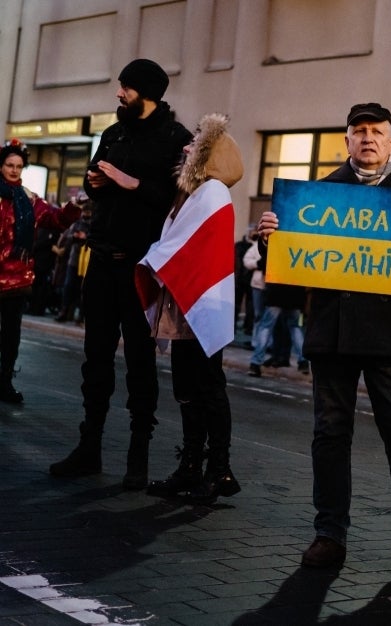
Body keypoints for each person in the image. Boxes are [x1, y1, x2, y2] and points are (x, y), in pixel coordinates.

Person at [257, 103, 391, 585]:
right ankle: (329, 534)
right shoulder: (320, 193)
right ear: (346, 141)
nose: (368, 138)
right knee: (330, 435)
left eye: (377, 131)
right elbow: (292, 269)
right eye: (359, 131)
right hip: (334, 333)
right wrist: (272, 241)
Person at [49, 58, 193, 489]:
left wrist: (133, 184)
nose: (118, 93)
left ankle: (137, 457)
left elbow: (180, 202)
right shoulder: (113, 133)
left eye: (125, 88)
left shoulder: (177, 140)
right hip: (102, 259)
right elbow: (95, 181)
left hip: (142, 267)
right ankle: (88, 447)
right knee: (95, 358)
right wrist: (97, 180)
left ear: (147, 92)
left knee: (139, 362)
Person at [138, 113, 244, 504]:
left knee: (208, 387)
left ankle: (219, 470)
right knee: (188, 387)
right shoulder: (193, 193)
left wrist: (153, 259)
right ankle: (192, 467)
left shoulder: (212, 192)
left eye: (196, 141)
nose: (186, 146)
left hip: (202, 303)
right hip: (187, 302)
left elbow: (187, 248)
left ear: (210, 153)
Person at [0, 139, 80, 403]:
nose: (14, 170)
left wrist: (74, 206)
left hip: (16, 279)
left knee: (11, 336)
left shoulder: (29, 199)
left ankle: (5, 382)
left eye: (19, 166)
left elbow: (55, 219)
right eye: (9, 165)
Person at [246, 282, 308, 377]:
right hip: (296, 294)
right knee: (295, 328)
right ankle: (303, 361)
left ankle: (255, 363)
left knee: (266, 327)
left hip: (276, 292)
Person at [53, 198, 94, 323]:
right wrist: (75, 236)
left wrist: (85, 237)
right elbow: (68, 236)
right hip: (74, 258)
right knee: (68, 286)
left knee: (83, 288)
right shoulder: (77, 222)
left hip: (86, 259)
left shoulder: (93, 223)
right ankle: (65, 311)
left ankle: (80, 316)